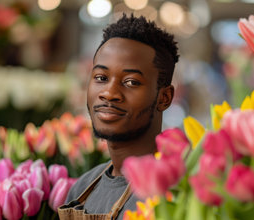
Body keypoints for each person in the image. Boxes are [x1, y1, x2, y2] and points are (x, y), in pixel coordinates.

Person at [59, 14, 179, 220]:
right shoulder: (81, 188)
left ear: (164, 97)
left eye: (131, 82)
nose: (109, 92)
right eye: (101, 78)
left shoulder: (175, 190)